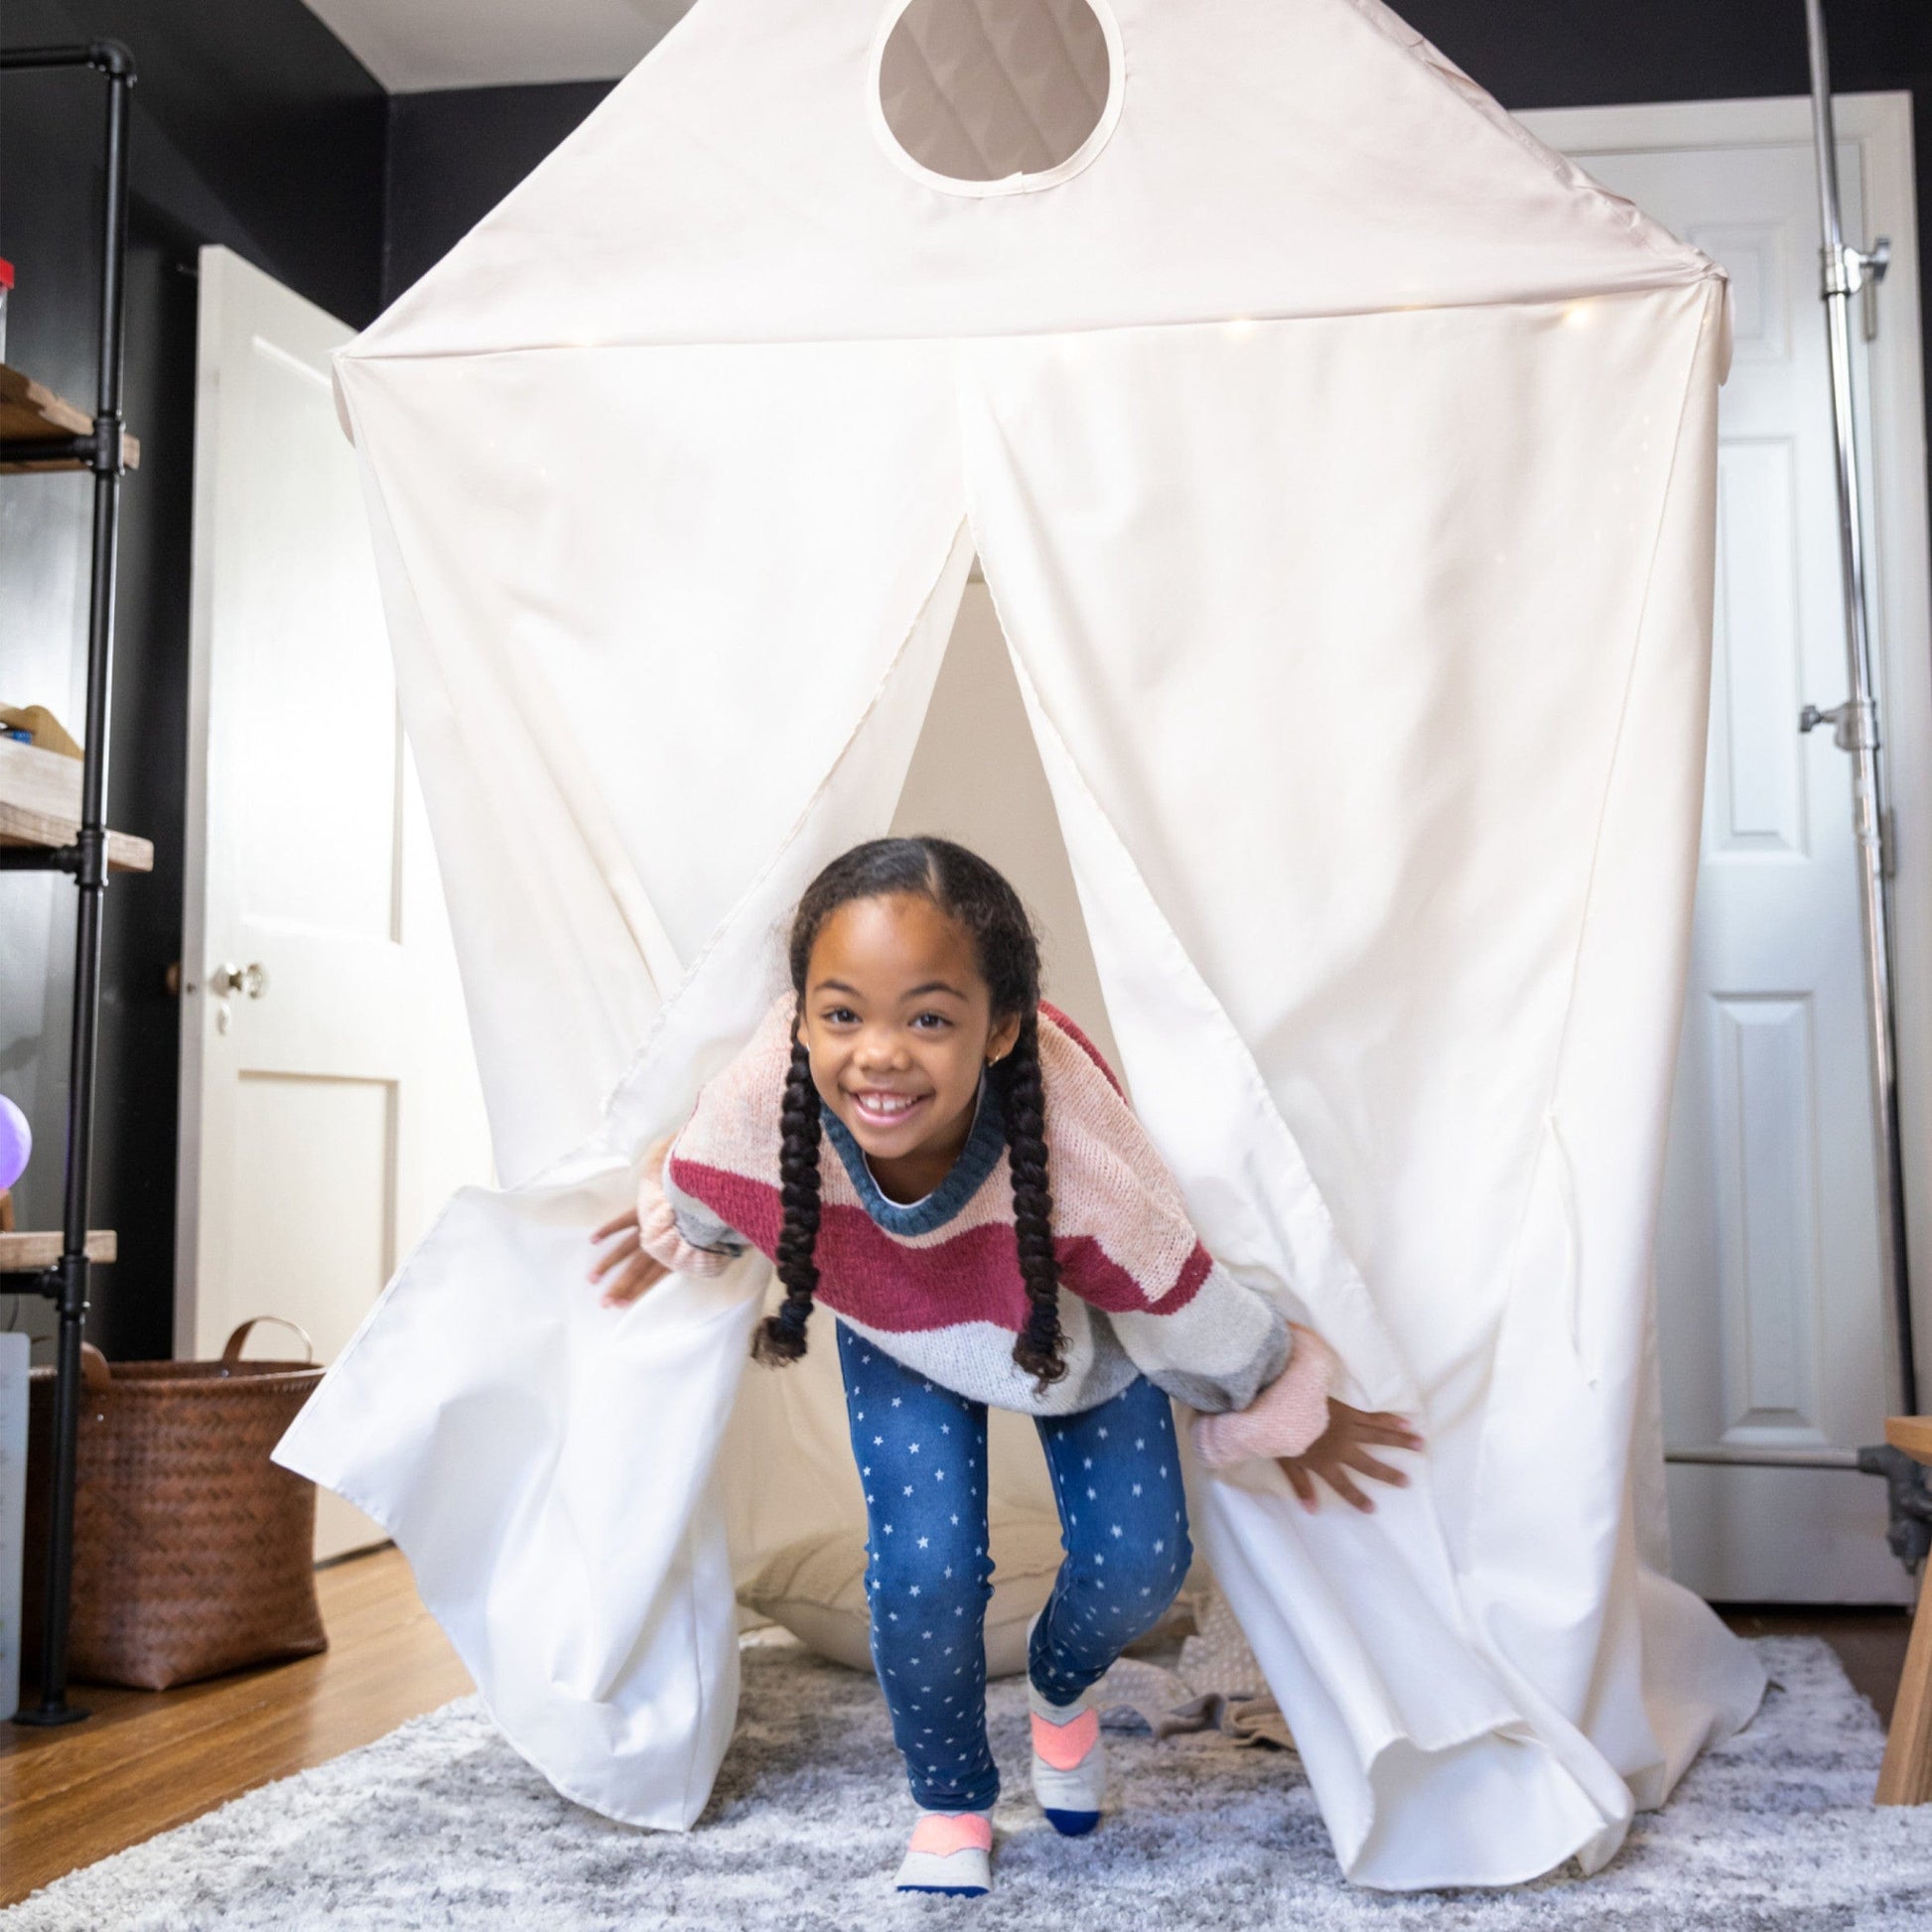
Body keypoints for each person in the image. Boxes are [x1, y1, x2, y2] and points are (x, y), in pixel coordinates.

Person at [587, 835, 1422, 1897]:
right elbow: (709, 1171)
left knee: (1139, 1564)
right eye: (841, 1013)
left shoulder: (1080, 1155)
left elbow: (1175, 1294)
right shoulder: (768, 1093)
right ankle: (949, 1796)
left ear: (1000, 1029)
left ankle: (1058, 1688)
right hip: (898, 1324)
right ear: (800, 1016)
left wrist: (1281, 1398)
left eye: (926, 1017)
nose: (878, 1052)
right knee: (921, 1571)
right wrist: (674, 1219)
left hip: (1065, 1334)